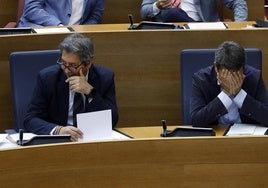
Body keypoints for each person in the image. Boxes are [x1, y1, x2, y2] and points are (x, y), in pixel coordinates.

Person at [24, 33, 118, 141]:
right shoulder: (48, 78)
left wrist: (91, 92)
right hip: (59, 141)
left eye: (73, 66)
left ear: (88, 63)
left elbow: (112, 120)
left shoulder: (104, 77)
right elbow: (30, 119)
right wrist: (59, 130)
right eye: (63, 63)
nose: (67, 70)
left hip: (92, 139)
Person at [190, 41, 268, 127]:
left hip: (247, 136)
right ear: (216, 67)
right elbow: (196, 120)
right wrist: (225, 93)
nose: (231, 79)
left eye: (236, 73)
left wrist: (239, 94)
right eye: (227, 73)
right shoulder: (202, 80)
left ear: (243, 68)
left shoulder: (254, 77)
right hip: (216, 136)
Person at [140, 0, 248, 22]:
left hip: (203, 28)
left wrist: (239, 26)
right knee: (173, 13)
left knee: (174, 13)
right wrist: (157, 6)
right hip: (167, 30)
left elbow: (238, 2)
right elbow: (144, 12)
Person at [17, 0, 104, 27]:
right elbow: (32, 9)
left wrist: (81, 33)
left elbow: (95, 17)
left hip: (75, 39)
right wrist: (58, 26)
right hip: (42, 29)